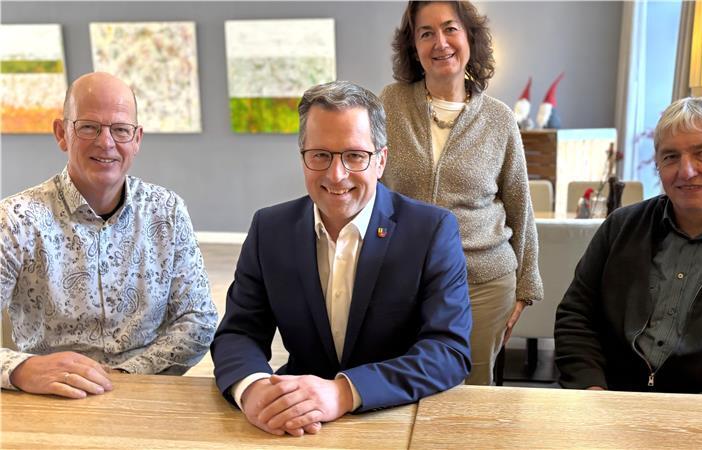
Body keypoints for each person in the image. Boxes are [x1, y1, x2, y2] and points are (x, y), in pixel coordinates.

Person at [211, 80, 472, 436]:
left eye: (354, 155)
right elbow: (238, 333)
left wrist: (344, 392)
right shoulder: (269, 229)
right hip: (298, 425)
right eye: (320, 155)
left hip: (394, 418)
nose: (336, 175)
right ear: (303, 158)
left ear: (380, 160)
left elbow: (447, 351)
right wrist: (252, 389)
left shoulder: (431, 230)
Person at [555, 97, 702, 396]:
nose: (686, 171)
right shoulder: (621, 227)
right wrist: (591, 388)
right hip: (612, 403)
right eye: (671, 157)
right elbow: (576, 316)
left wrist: (697, 417)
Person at [0, 72, 218, 399]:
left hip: (147, 391)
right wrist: (22, 370)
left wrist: (126, 375)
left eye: (120, 129)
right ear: (61, 133)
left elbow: (198, 319)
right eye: (89, 127)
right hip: (48, 396)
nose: (106, 142)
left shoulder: (167, 212)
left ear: (137, 138)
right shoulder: (15, 219)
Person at [380, 0, 543, 385]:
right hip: (403, 281)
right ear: (413, 46)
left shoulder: (500, 119)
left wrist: (525, 288)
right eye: (426, 33)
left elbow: (520, 205)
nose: (440, 42)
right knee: (402, 386)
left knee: (470, 395)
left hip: (483, 285)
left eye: (450, 29)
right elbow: (371, 190)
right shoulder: (389, 104)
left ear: (470, 37)